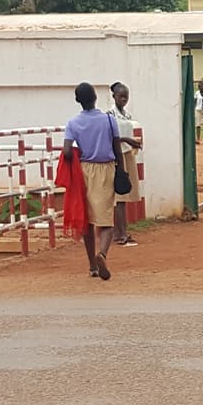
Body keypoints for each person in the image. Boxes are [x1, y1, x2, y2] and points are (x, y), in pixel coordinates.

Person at [62, 82, 125, 281]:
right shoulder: (109, 120)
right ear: (95, 97)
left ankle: (92, 266)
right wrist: (122, 171)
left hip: (84, 171)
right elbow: (117, 149)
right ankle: (102, 254)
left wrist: (79, 153)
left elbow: (66, 151)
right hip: (106, 169)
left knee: (87, 220)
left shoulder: (73, 123)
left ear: (77, 100)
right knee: (106, 221)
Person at [107, 82, 143, 247]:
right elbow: (110, 137)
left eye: (126, 97)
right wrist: (127, 140)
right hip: (117, 156)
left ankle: (122, 232)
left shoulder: (126, 115)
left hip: (128, 154)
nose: (123, 99)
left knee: (126, 194)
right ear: (114, 96)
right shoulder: (110, 115)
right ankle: (120, 234)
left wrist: (132, 143)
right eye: (121, 96)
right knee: (119, 196)